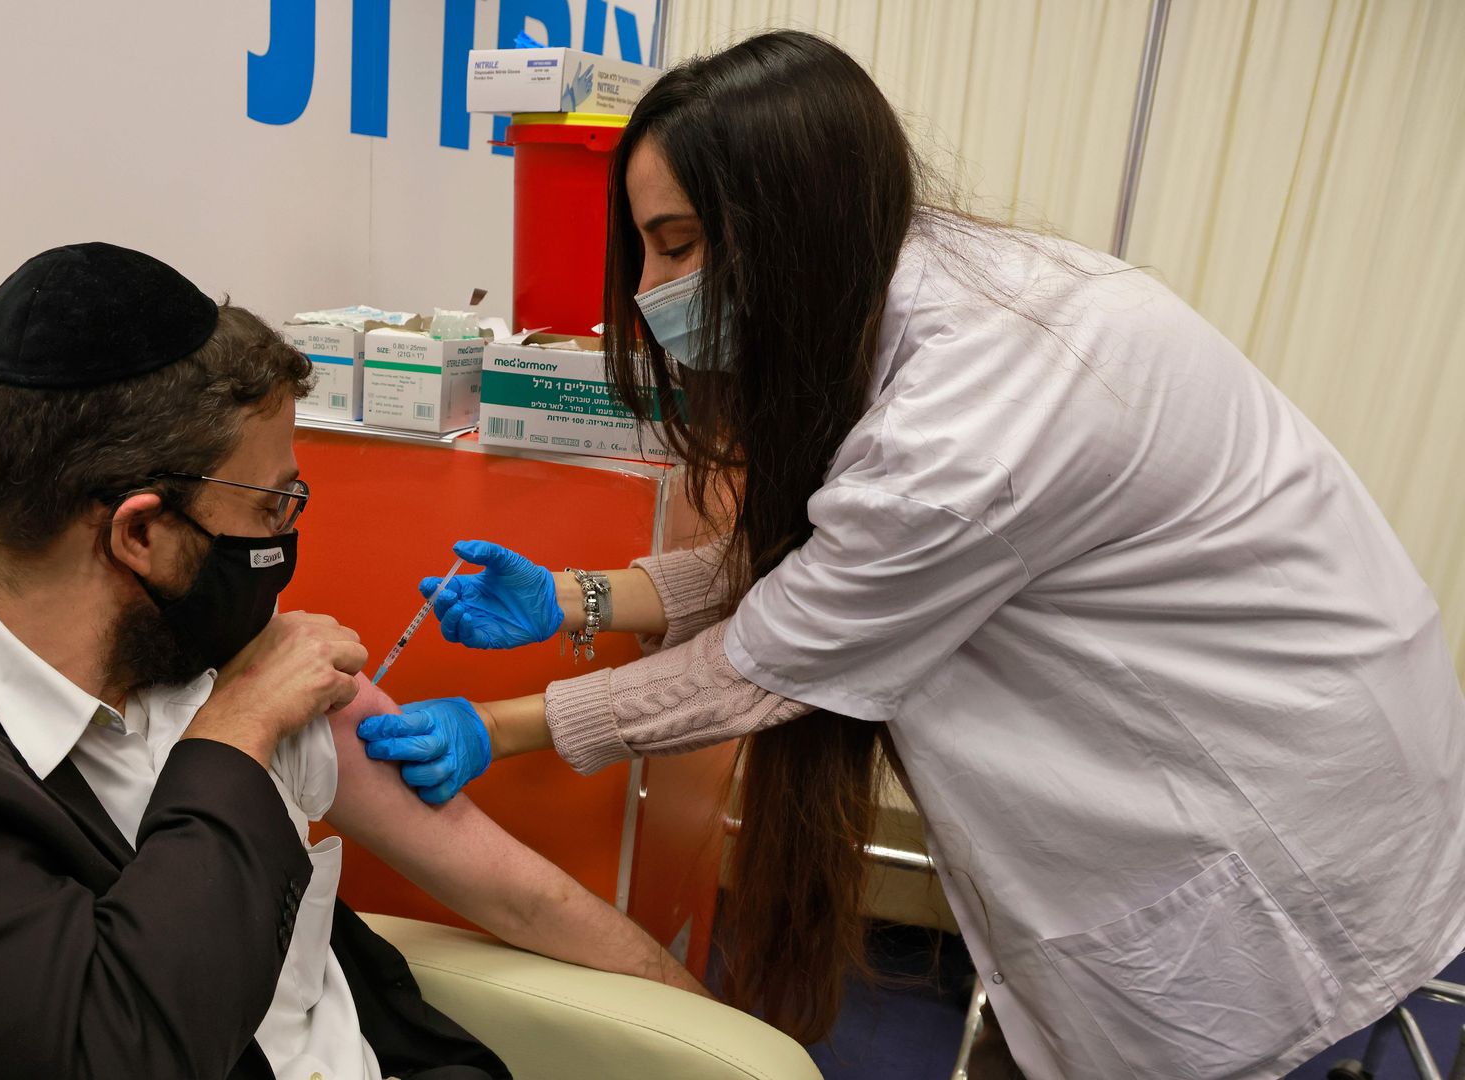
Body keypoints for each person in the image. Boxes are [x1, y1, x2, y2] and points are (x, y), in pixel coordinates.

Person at [356, 30, 1465, 1080]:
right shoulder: (908, 293)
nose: (649, 290)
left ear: (793, 222)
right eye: (646, 244)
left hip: (1267, 809)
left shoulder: (980, 404)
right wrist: (573, 596)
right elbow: (824, 564)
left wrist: (497, 728)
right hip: (1219, 745)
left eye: (679, 246)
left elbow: (773, 651)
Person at [0, 242, 702, 1080]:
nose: (288, 534)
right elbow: (119, 1051)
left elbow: (511, 888)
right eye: (271, 506)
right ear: (140, 534)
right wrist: (235, 737)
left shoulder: (193, 636)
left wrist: (711, 1030)